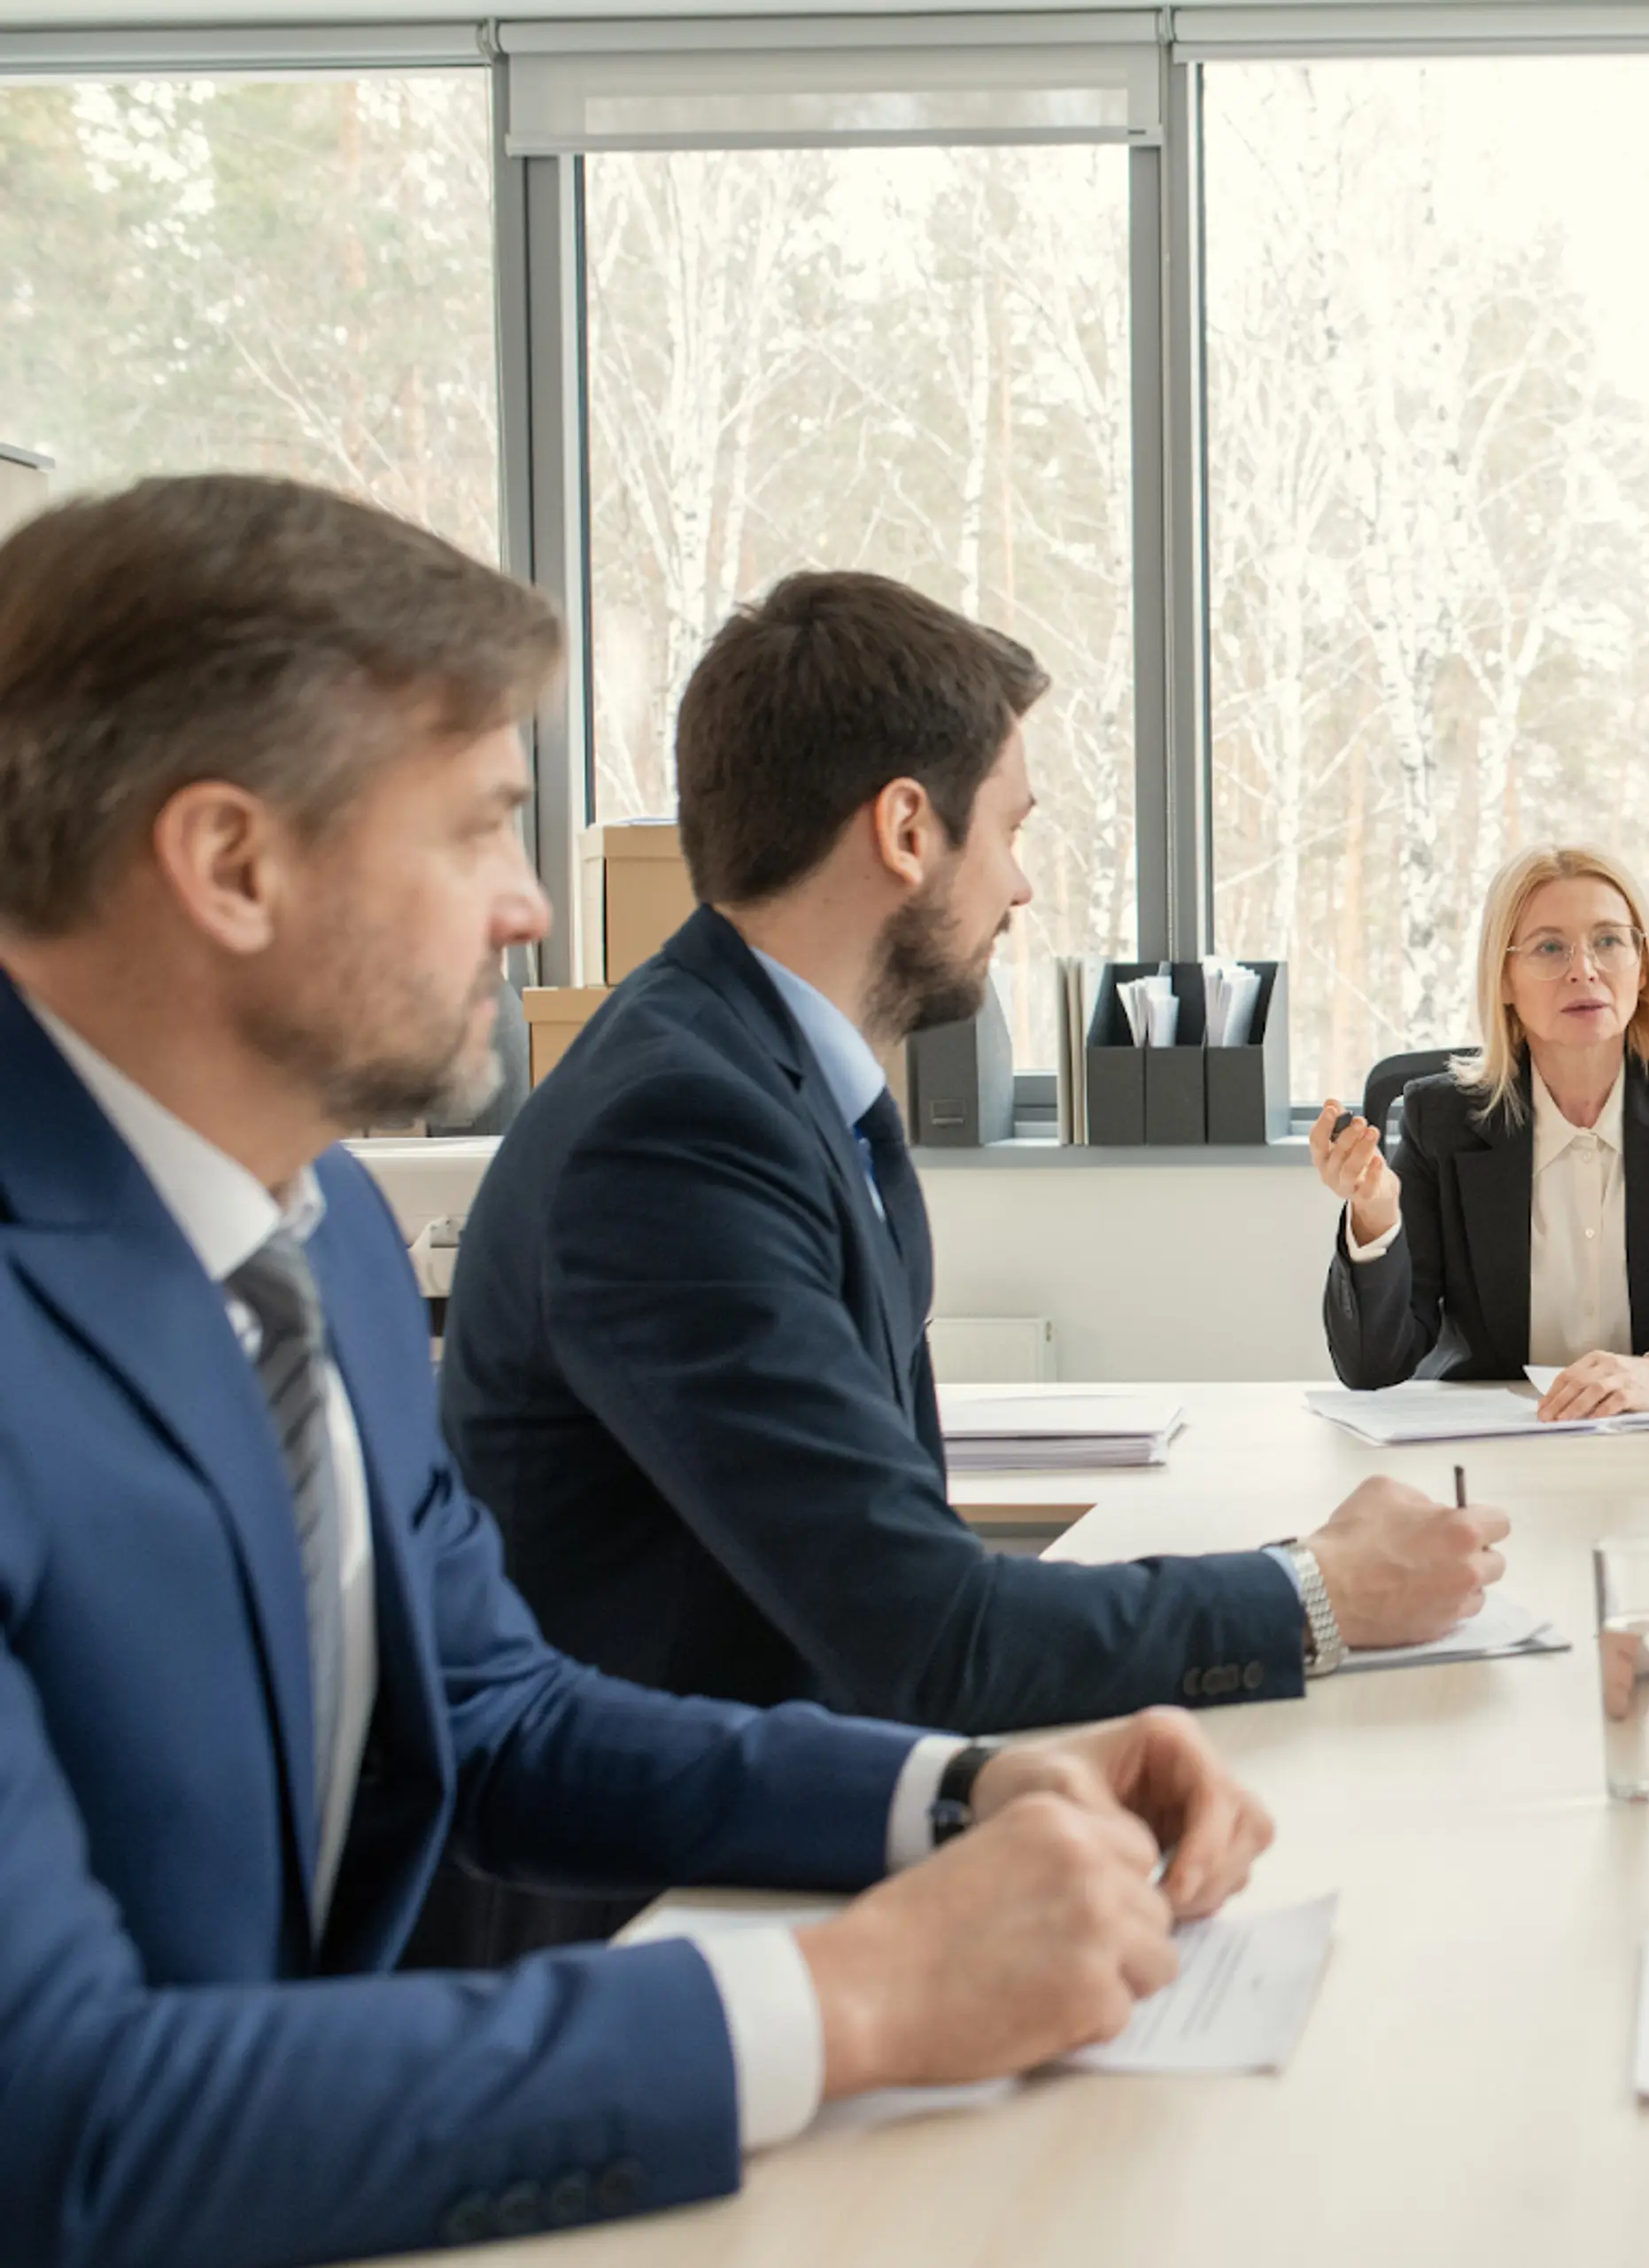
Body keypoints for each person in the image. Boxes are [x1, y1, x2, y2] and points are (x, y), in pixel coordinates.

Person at [0, 475, 1280, 2268]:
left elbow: (500, 1715)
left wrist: (955, 1789)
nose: (532, 910)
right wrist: (842, 2001)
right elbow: (68, 2122)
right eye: (474, 829)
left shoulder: (331, 1240)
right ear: (231, 861)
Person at [432, 571, 1502, 1957]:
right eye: (1009, 828)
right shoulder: (677, 1127)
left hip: (803, 1831)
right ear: (903, 828)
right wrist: (1317, 1588)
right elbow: (924, 1632)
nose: (1021, 881)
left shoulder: (765, 1079)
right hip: (658, 1920)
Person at [1312, 844, 1649, 1420]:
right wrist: (1375, 1218)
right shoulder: (1442, 1122)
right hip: (1492, 1456)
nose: (1584, 969)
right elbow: (1372, 1366)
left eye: (1608, 941)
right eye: (1549, 947)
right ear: (1504, 980)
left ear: (1642, 970)